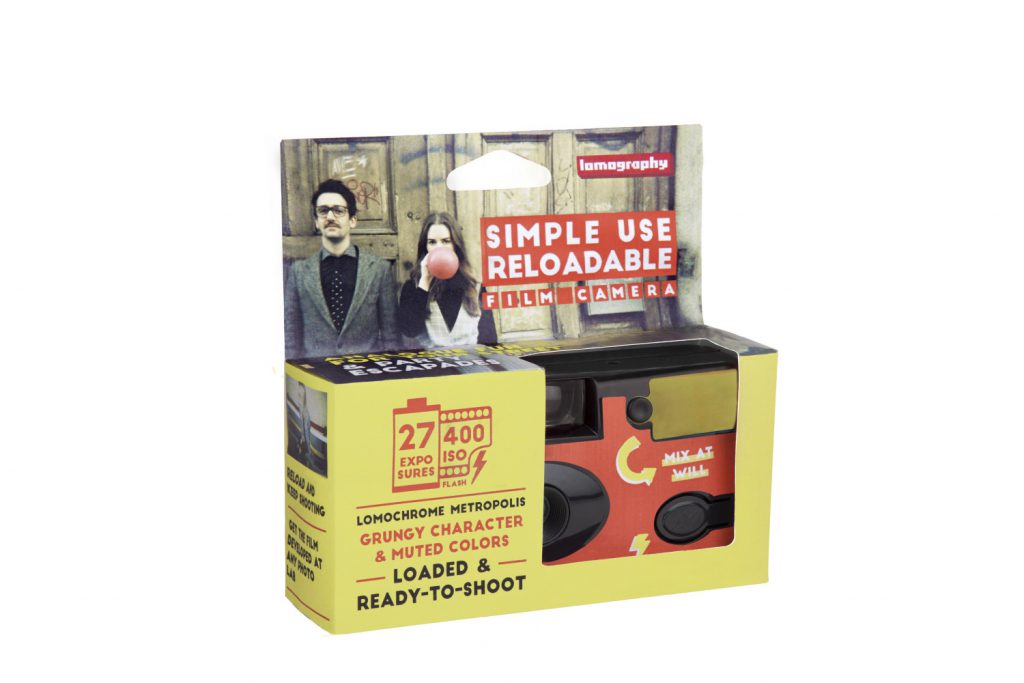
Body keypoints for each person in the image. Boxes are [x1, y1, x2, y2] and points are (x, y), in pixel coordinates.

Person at [284, 180, 399, 357]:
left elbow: (392, 338)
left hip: (365, 369)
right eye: (323, 211)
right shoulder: (298, 272)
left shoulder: (379, 270)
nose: (330, 217)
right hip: (317, 370)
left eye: (338, 210)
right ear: (316, 221)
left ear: (352, 220)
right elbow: (291, 339)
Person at [399, 212, 496, 348]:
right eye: (432, 242)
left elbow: (490, 339)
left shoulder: (475, 286)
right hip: (434, 361)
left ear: (456, 245)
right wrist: (424, 284)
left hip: (472, 359)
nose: (439, 248)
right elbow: (409, 331)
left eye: (446, 241)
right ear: (425, 247)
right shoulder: (413, 287)